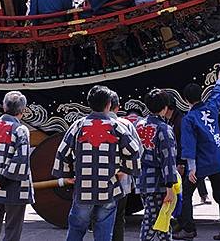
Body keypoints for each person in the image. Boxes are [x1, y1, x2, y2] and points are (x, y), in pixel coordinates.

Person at [52, 85, 141, 241]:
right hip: (109, 185)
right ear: (108, 104)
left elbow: (62, 152)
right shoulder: (117, 126)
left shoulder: (78, 125)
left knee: (77, 228)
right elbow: (134, 152)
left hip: (83, 186)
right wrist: (122, 172)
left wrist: (68, 175)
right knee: (104, 230)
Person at [176, 70, 220, 240]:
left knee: (186, 194)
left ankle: (189, 229)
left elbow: (188, 144)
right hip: (216, 160)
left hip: (201, 164)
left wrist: (191, 168)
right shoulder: (211, 108)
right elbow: (217, 95)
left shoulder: (189, 118)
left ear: (185, 99)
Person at [0, 91, 34, 241]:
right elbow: (21, 159)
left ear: (4, 107)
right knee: (12, 232)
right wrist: (3, 180)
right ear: (23, 111)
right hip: (15, 188)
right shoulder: (20, 130)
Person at [136, 88, 177, 241]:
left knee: (161, 220)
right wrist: (170, 187)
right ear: (165, 108)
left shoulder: (139, 125)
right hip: (159, 182)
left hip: (141, 179)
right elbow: (168, 159)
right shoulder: (164, 129)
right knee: (153, 220)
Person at [110, 92, 142, 241]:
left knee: (98, 219)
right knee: (118, 219)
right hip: (122, 181)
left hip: (95, 181)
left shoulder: (84, 123)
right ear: (117, 108)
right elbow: (137, 150)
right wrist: (127, 170)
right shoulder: (126, 124)